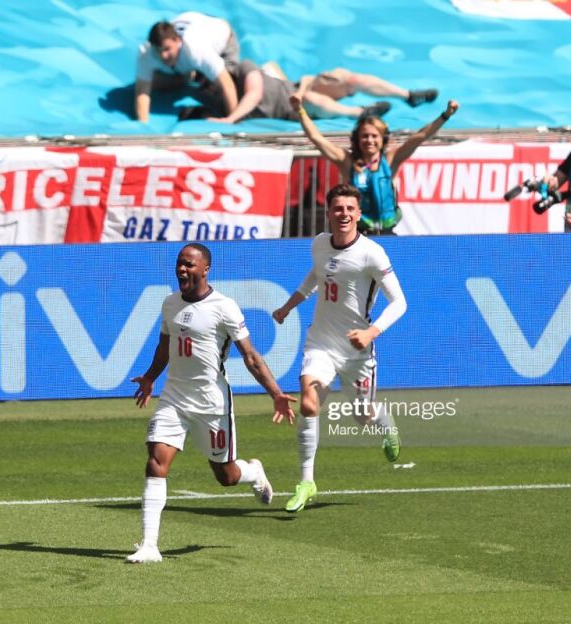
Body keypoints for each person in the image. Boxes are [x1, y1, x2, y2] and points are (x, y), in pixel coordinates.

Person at [127, 243, 296, 563]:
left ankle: (253, 471)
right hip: (174, 397)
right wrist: (150, 377)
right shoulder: (170, 303)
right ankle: (149, 545)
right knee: (155, 461)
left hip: (212, 403)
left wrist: (275, 393)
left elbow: (251, 357)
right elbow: (164, 347)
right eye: (179, 263)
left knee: (226, 476)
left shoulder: (224, 307)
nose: (182, 269)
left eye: (189, 264)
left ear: (205, 269)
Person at [271, 183, 407, 513]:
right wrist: (289, 305)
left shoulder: (372, 253)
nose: (343, 214)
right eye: (337, 208)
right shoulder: (319, 243)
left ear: (359, 215)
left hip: (356, 351)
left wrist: (371, 332)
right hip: (320, 343)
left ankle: (386, 424)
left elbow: (399, 302)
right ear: (328, 213)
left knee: (362, 416)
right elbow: (316, 276)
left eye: (350, 209)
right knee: (308, 401)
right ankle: (306, 481)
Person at [295, 96, 459, 234]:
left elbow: (421, 136)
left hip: (387, 233)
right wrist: (300, 110)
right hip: (358, 235)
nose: (370, 140)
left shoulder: (391, 160)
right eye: (365, 136)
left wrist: (445, 115)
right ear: (357, 139)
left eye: (375, 136)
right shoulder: (347, 161)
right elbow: (317, 138)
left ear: (383, 139)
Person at [207, 61, 438, 124]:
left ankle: (408, 96)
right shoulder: (222, 101)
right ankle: (359, 112)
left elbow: (258, 88)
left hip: (296, 88)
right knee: (310, 99)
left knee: (346, 77)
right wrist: (231, 117)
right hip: (292, 108)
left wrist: (231, 118)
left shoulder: (244, 69)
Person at [135, 12, 240, 124]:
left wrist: (232, 121)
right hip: (193, 28)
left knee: (220, 95)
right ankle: (191, 75)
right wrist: (143, 126)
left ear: (177, 41)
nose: (163, 56)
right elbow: (142, 92)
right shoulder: (147, 53)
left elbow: (227, 85)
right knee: (155, 82)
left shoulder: (195, 49)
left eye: (167, 49)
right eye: (158, 51)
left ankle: (198, 74)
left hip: (222, 35)